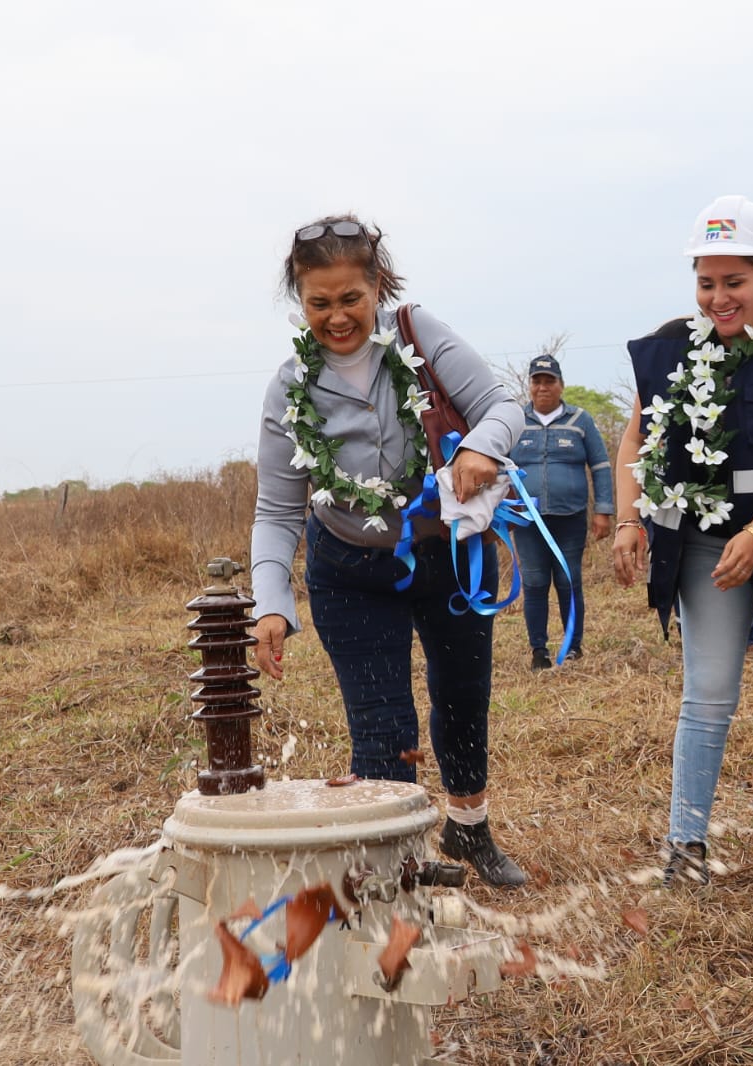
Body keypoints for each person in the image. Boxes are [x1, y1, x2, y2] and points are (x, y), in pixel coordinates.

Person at [249, 214, 528, 886]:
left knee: (462, 698)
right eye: (320, 303)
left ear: (377, 285)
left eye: (351, 298)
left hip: (449, 560)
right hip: (350, 570)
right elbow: (276, 509)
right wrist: (271, 603)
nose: (338, 317)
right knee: (381, 722)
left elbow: (501, 404)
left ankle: (468, 828)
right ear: (300, 299)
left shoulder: (418, 335)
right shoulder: (290, 387)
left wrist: (485, 448)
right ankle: (395, 863)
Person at [612, 195, 753, 888]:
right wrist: (628, 519)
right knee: (708, 694)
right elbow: (636, 438)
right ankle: (686, 848)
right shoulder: (672, 345)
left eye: (735, 281)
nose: (719, 297)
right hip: (706, 545)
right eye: (707, 282)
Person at [509, 353, 614, 670]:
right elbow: (499, 466)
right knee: (535, 582)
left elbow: (600, 465)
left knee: (569, 581)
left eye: (549, 381)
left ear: (560, 385)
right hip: (528, 521)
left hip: (570, 518)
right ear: (529, 386)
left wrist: (604, 510)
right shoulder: (514, 420)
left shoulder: (579, 420)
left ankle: (572, 647)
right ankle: (538, 651)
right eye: (537, 381)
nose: (543, 387)